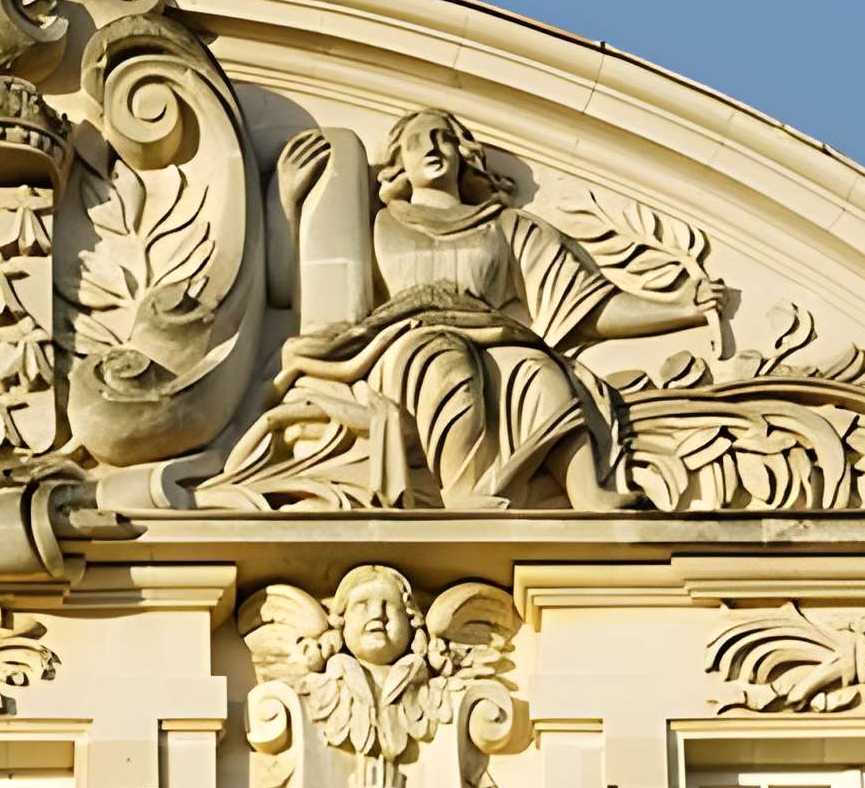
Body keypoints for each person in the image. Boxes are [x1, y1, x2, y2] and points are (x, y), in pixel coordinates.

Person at [272, 109, 723, 509]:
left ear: (463, 154)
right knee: (445, 362)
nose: (432, 148)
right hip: (400, 339)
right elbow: (297, 286)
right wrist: (288, 203)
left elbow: (588, 304)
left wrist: (684, 308)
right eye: (416, 141)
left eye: (443, 137)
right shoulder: (377, 223)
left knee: (539, 370)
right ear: (398, 163)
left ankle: (588, 491)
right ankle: (465, 494)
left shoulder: (504, 227)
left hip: (490, 331)